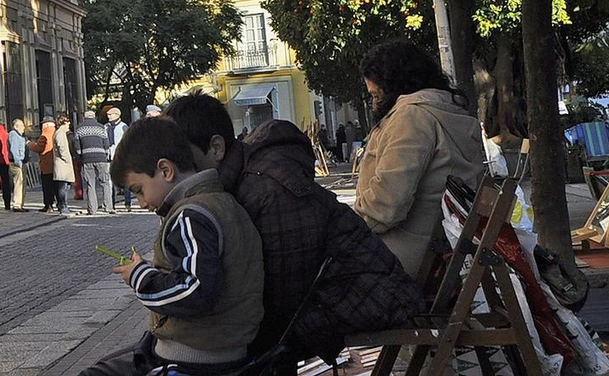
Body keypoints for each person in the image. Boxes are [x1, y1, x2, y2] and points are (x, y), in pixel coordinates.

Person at [165, 93, 425, 365]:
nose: (176, 172)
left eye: (184, 160)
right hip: (334, 294)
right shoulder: (240, 182)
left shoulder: (266, 188)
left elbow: (283, 299)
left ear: (216, 148)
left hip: (364, 299)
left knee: (220, 351)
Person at [81, 116, 265, 376]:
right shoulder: (222, 203)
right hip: (224, 348)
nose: (142, 203)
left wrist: (140, 277)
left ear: (165, 170)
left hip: (196, 357)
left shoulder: (192, 214)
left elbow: (196, 289)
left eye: (139, 190)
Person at [353, 39, 485, 276]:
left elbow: (386, 206)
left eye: (376, 95)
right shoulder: (449, 112)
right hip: (441, 250)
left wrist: (345, 226)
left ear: (394, 87)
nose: (375, 104)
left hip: (403, 256)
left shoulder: (411, 117)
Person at [73, 110, 114, 215]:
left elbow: (77, 145)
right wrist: (105, 154)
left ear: (84, 117)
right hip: (101, 158)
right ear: (94, 117)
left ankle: (92, 209)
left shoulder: (79, 128)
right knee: (105, 183)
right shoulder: (101, 127)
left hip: (87, 159)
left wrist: (81, 154)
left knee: (90, 184)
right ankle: (108, 207)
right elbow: (106, 143)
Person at [105, 106, 133, 211]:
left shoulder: (123, 127)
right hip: (109, 157)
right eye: (108, 115)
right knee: (109, 182)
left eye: (110, 115)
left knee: (125, 180)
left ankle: (127, 203)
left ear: (117, 115)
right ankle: (111, 204)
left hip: (121, 157)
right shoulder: (106, 127)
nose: (108, 117)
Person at [28, 117, 58, 212]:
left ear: (46, 125)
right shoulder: (56, 132)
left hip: (46, 165)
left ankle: (48, 205)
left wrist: (30, 144)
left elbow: (39, 148)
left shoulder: (45, 134)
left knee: (47, 187)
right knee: (56, 186)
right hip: (55, 165)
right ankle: (58, 204)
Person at [52, 112, 76, 214]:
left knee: (65, 186)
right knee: (63, 186)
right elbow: (62, 149)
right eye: (67, 121)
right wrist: (67, 159)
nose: (69, 123)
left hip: (62, 164)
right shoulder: (60, 133)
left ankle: (64, 205)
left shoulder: (60, 133)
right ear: (63, 122)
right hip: (62, 164)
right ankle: (63, 206)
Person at [7, 118, 29, 211]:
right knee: (18, 184)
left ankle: (20, 204)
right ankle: (17, 204)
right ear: (17, 126)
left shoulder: (20, 136)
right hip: (16, 163)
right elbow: (14, 150)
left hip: (22, 162)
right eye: (22, 125)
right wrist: (18, 163)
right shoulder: (13, 134)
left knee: (22, 184)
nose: (24, 127)